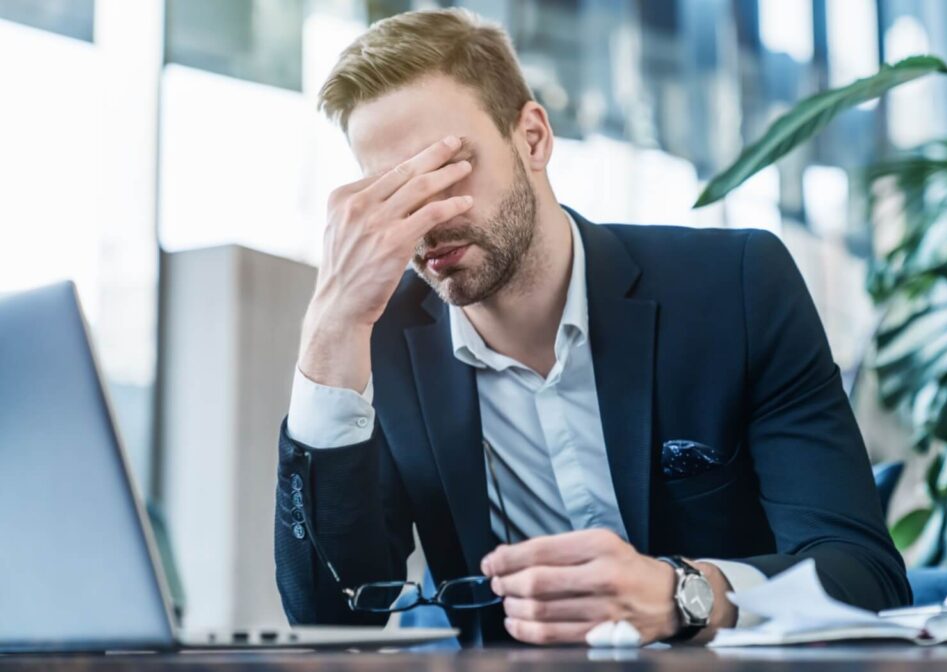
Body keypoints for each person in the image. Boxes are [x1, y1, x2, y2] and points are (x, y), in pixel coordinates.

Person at [274, 7, 911, 647]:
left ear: (532, 138)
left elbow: (865, 575)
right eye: (393, 192)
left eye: (443, 168)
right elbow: (332, 617)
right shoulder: (377, 342)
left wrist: (681, 595)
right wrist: (329, 330)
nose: (425, 219)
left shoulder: (735, 288)